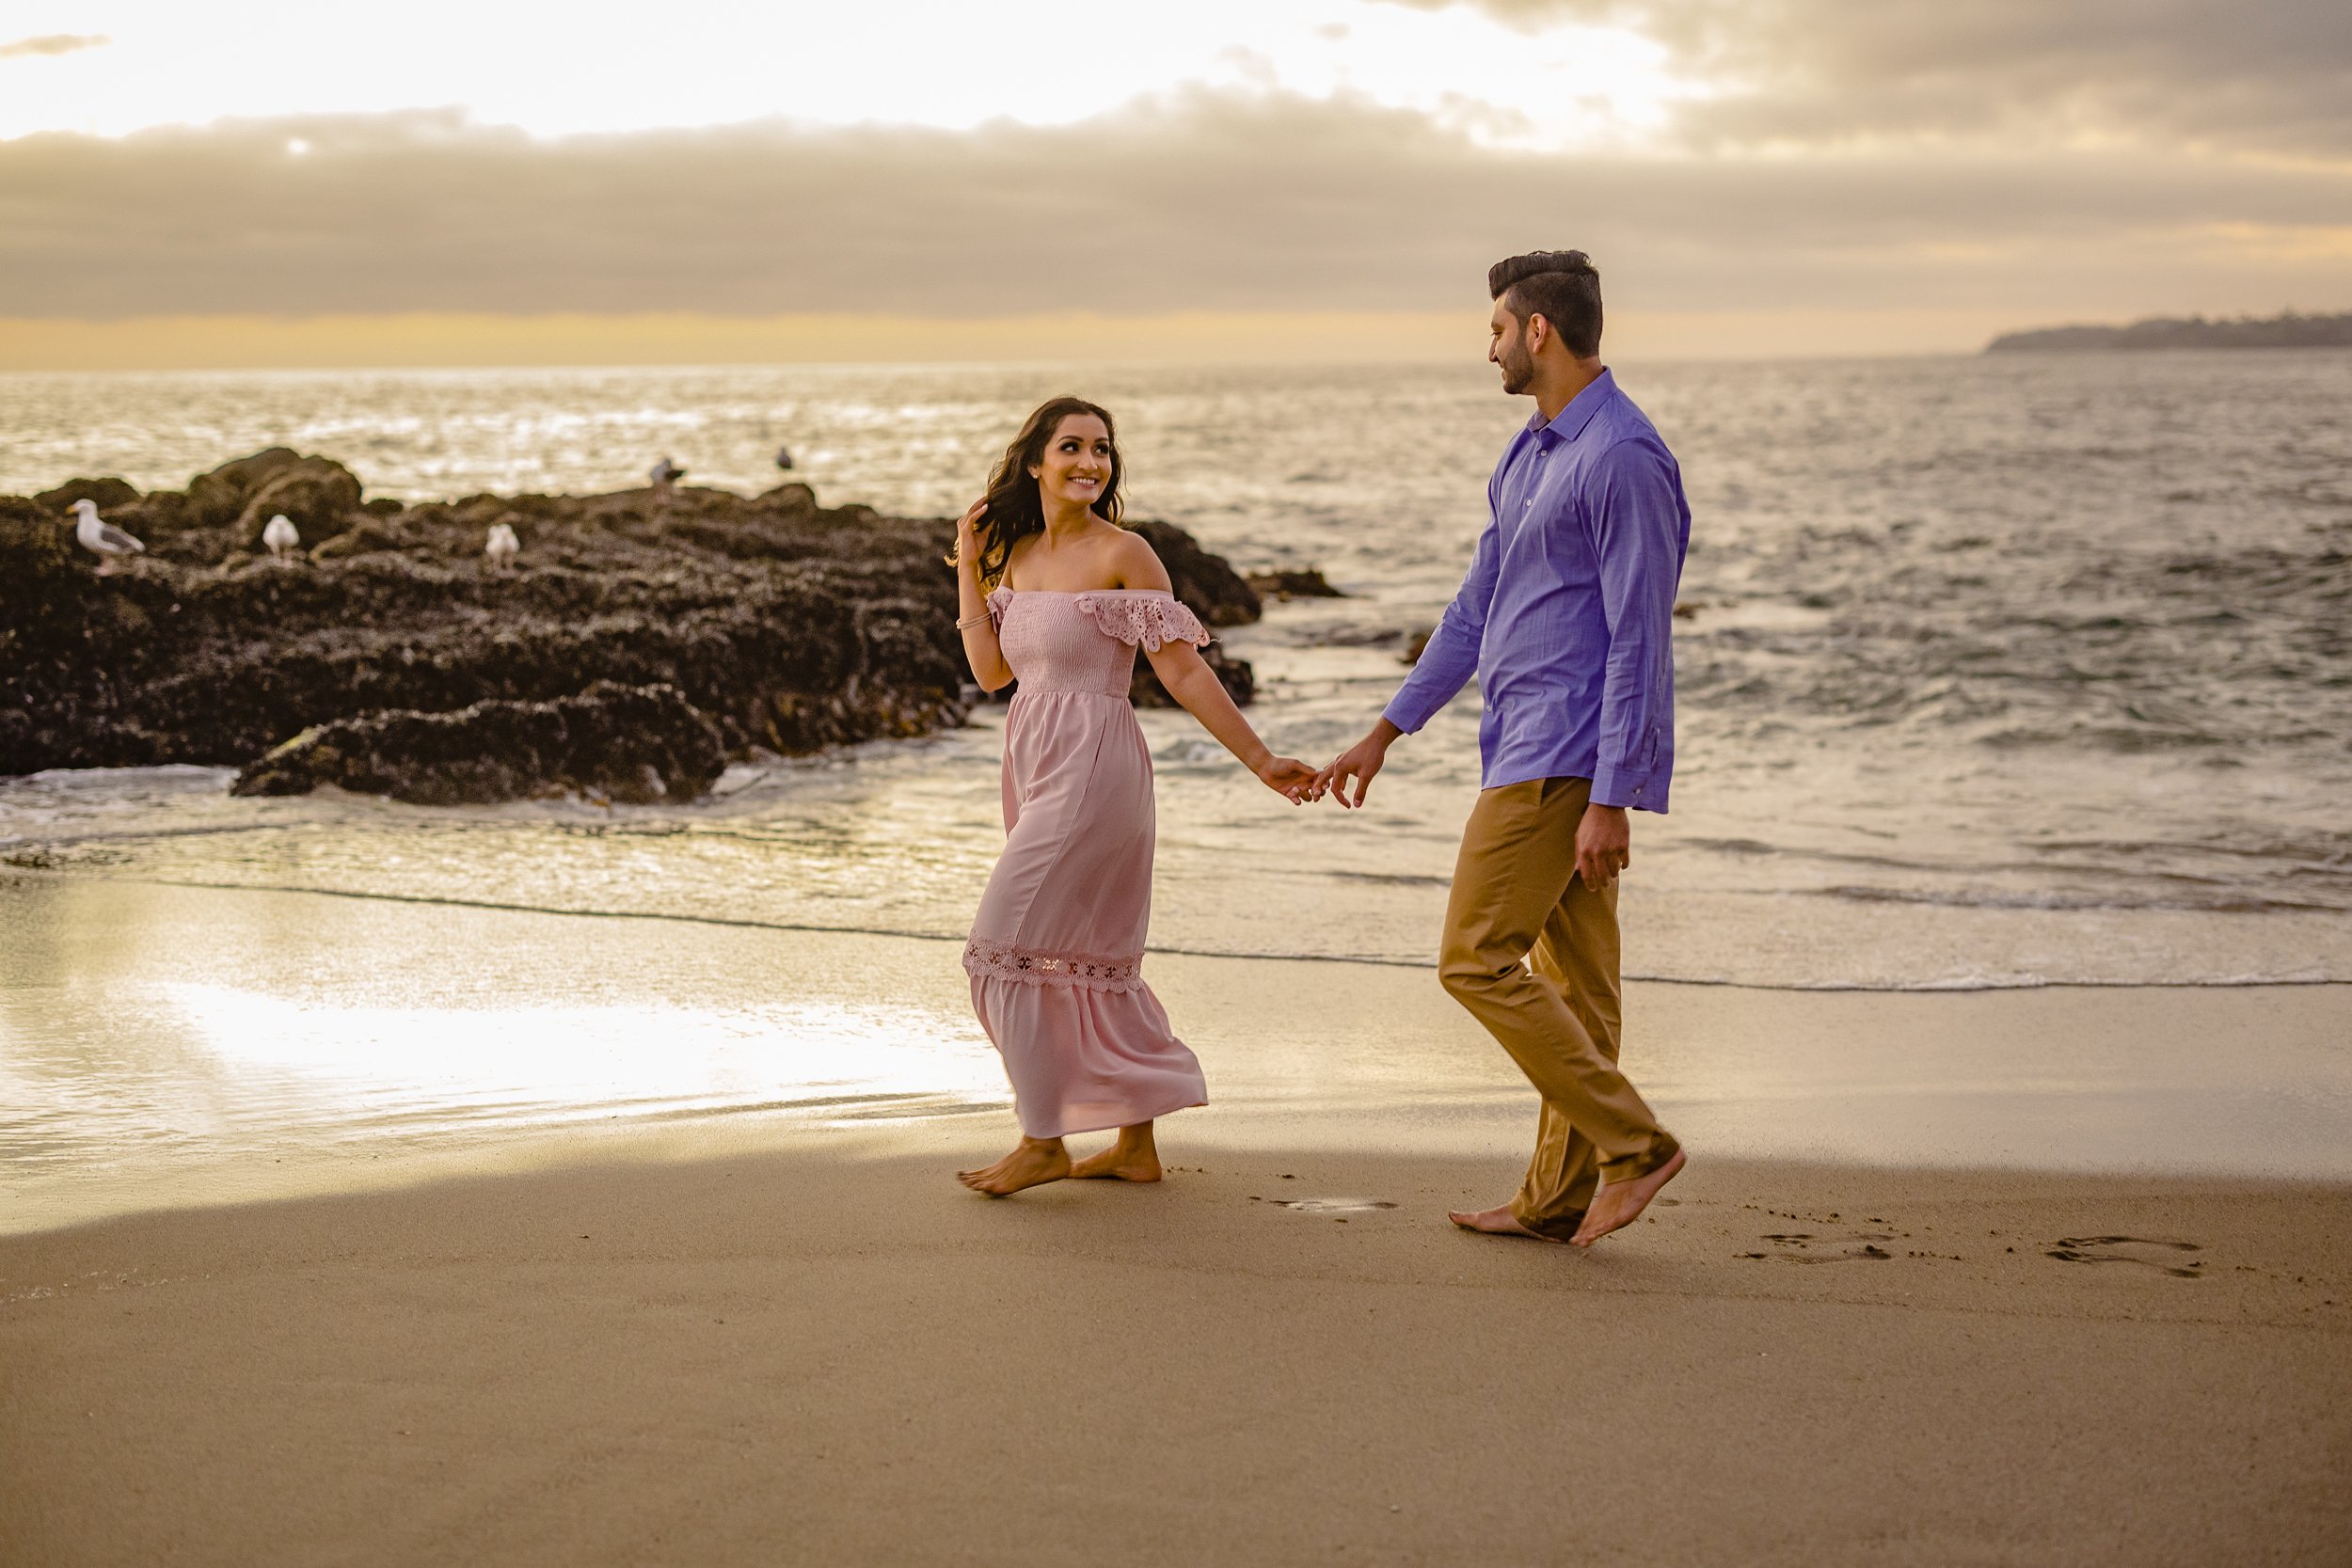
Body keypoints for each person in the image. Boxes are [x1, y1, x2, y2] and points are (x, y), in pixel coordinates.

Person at [1315, 250, 1690, 1248]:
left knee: (1474, 959)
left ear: (1538, 330)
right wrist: (1385, 730)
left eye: (1495, 327)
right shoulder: (1529, 454)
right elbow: (1477, 609)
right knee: (1579, 989)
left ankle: (1634, 1143)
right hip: (1519, 740)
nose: (1485, 347)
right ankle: (1559, 1194)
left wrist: (1612, 793)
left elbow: (1639, 635)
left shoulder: (1623, 457)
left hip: (1563, 756)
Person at [950, 396, 1317, 1196]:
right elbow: (990, 674)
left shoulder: (1127, 553)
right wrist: (967, 563)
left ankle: (1042, 1138)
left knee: (996, 950)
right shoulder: (1014, 555)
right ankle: (1133, 1141)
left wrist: (1259, 760)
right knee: (1085, 955)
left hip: (1093, 766)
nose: (1090, 462)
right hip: (1036, 761)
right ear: (1036, 462)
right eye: (1072, 447)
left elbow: (1182, 669)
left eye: (1103, 450)